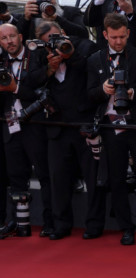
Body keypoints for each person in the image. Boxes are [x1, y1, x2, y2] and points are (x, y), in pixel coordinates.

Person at [25, 22, 105, 241]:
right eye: (48, 42)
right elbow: (30, 82)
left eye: (56, 38)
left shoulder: (84, 46)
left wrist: (69, 55)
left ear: (63, 33)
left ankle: (94, 224)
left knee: (92, 178)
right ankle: (61, 224)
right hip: (56, 127)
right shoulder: (40, 54)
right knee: (58, 179)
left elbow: (91, 71)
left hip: (84, 125)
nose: (53, 44)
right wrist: (49, 69)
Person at [86, 13, 136, 246]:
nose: (118, 41)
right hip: (110, 128)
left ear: (128, 33)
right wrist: (103, 90)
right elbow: (89, 94)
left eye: (122, 37)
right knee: (116, 180)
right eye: (113, 37)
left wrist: (133, 93)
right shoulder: (95, 60)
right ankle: (126, 228)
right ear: (105, 35)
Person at [0, 23, 53, 238]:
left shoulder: (37, 57)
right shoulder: (1, 61)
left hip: (35, 125)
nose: (9, 41)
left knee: (44, 174)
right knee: (15, 176)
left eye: (12, 36)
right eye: (4, 38)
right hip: (10, 124)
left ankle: (50, 222)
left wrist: (16, 89)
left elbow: (41, 91)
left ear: (20, 36)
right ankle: (19, 222)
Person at [19, 0, 89, 40]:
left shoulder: (71, 11)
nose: (46, 3)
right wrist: (26, 19)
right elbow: (18, 40)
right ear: (33, 0)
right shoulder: (30, 16)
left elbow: (84, 34)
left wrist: (57, 19)